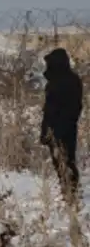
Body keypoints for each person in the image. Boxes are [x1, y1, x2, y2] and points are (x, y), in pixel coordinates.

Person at [40, 47, 83, 203]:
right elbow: (48, 109)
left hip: (66, 129)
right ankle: (67, 190)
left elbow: (74, 108)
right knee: (59, 162)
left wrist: (60, 128)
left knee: (67, 161)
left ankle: (71, 192)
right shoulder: (55, 81)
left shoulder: (70, 81)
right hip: (55, 129)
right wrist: (45, 131)